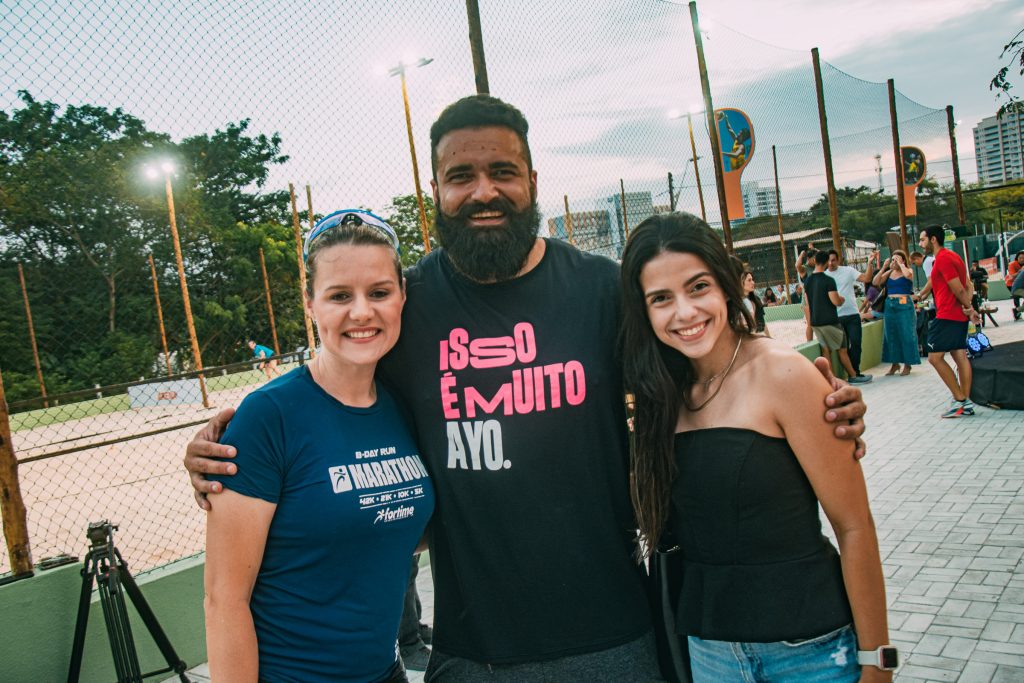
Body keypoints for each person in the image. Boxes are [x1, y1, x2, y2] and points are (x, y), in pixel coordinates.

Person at [185, 95, 869, 681]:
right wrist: (230, 439)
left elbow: (701, 365)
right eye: (461, 176)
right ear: (436, 191)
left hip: (615, 635)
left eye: (502, 171)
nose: (483, 191)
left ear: (533, 180)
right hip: (471, 650)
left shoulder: (605, 292)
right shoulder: (407, 306)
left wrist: (809, 392)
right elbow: (333, 394)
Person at [620, 213, 894, 683]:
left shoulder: (783, 375)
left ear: (725, 286)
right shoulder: (660, 397)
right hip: (710, 655)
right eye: (661, 299)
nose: (684, 312)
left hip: (808, 655)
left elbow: (853, 526)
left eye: (698, 287)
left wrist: (877, 663)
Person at [205, 211, 434, 682]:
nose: (361, 312)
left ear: (402, 297)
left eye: (378, 292)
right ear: (310, 304)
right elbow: (224, 598)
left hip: (384, 672)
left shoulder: (404, 407)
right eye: (338, 296)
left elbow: (403, 525)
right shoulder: (270, 415)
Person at [918, 225, 980, 418]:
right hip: (956, 315)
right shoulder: (954, 256)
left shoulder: (943, 259)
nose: (921, 244)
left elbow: (959, 289)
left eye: (922, 239)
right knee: (960, 357)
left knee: (934, 358)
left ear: (933, 239)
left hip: (947, 316)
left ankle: (961, 400)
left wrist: (969, 308)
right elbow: (968, 285)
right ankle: (965, 403)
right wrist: (968, 307)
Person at [805, 251, 864, 382]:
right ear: (826, 262)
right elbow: (835, 301)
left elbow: (808, 302)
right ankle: (853, 376)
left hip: (816, 321)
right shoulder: (828, 280)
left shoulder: (808, 281)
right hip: (830, 320)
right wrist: (841, 299)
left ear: (814, 261)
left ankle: (831, 380)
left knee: (826, 352)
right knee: (842, 350)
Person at [826, 249, 876, 384]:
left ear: (838, 260)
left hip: (853, 314)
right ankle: (851, 374)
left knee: (856, 343)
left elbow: (867, 278)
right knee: (843, 348)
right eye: (828, 260)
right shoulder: (824, 275)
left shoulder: (848, 270)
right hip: (836, 316)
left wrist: (870, 263)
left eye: (833, 260)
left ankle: (856, 372)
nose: (831, 263)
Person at [874, 251, 919, 376]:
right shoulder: (890, 273)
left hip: (904, 304)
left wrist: (901, 264)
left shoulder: (908, 270)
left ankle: (908, 364)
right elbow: (875, 282)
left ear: (903, 260)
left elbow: (908, 275)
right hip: (890, 304)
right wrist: (884, 267)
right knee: (891, 334)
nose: (894, 262)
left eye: (897, 259)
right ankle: (894, 363)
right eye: (893, 259)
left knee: (906, 333)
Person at [740, 269, 768, 335]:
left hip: (757, 337)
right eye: (749, 280)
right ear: (741, 282)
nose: (753, 282)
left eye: (752, 280)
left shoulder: (756, 300)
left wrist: (770, 338)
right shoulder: (736, 302)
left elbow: (762, 323)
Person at [1006, 251, 1023, 321]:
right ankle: (1017, 311)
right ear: (1017, 258)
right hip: (1011, 284)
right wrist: (1020, 271)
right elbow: (1011, 276)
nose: (1022, 259)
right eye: (1020, 258)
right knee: (1016, 297)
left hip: (1020, 285)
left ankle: (1018, 310)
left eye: (1023, 258)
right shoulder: (1012, 264)